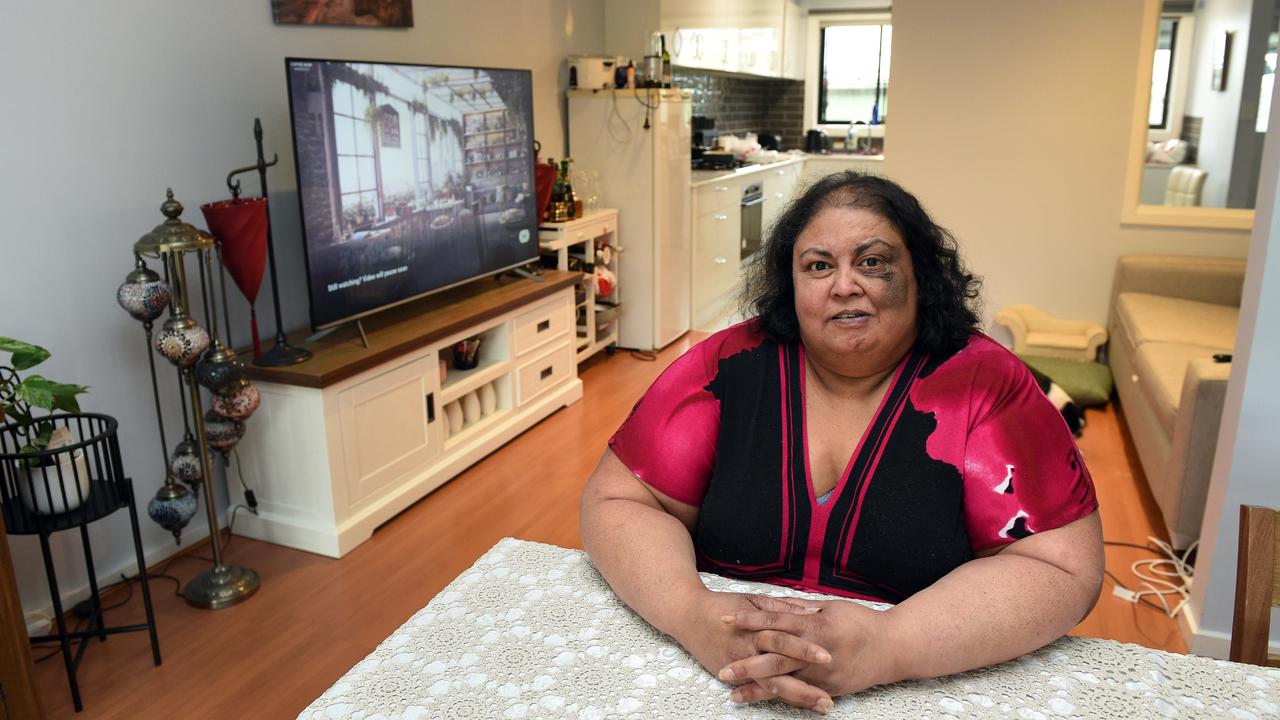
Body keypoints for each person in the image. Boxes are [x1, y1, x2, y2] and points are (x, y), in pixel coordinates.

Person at [579, 171, 1103, 714]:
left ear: (921, 276)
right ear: (792, 283)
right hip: (715, 680)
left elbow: (1062, 568)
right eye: (818, 266)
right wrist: (691, 613)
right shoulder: (726, 366)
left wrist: (888, 645)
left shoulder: (985, 385)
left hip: (912, 686)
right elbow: (619, 499)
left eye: (872, 262)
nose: (843, 285)